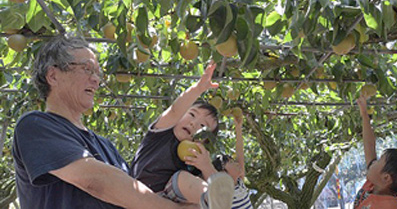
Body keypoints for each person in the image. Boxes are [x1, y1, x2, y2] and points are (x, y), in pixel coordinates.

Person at [12, 36, 198, 209]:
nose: (96, 80)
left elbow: (132, 194)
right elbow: (97, 181)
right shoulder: (35, 126)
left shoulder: (106, 146)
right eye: (87, 69)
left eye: (97, 73)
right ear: (53, 76)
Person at [130, 61, 234, 208]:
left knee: (195, 194)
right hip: (138, 194)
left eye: (203, 126)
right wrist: (198, 88)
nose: (194, 123)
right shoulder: (161, 133)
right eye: (192, 114)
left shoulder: (194, 157)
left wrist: (206, 166)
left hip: (168, 202)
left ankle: (212, 199)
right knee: (181, 178)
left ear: (204, 141)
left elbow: (207, 181)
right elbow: (174, 111)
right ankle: (210, 197)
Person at [354, 95, 397, 209]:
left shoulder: (390, 206)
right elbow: (369, 146)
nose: (373, 162)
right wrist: (364, 114)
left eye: (379, 160)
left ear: (386, 178)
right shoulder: (373, 185)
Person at [212, 112, 252, 209]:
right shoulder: (223, 194)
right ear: (222, 172)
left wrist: (238, 127)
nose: (237, 163)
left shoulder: (240, 184)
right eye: (231, 162)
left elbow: (240, 154)